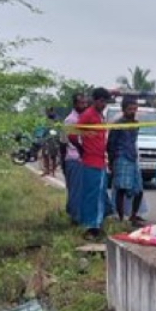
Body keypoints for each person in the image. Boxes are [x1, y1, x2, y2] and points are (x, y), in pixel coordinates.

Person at [75, 88, 112, 240]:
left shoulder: (99, 116)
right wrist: (82, 148)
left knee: (98, 194)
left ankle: (95, 224)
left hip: (99, 160)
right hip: (92, 161)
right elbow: (73, 132)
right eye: (101, 101)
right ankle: (92, 226)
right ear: (95, 100)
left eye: (105, 102)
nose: (103, 104)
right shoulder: (88, 115)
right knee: (93, 195)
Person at [107, 98, 146, 227]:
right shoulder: (117, 124)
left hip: (132, 158)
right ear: (123, 109)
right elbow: (111, 144)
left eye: (135, 109)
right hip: (121, 157)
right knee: (121, 189)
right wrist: (111, 162)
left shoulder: (136, 124)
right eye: (130, 109)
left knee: (138, 189)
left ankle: (133, 216)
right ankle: (120, 217)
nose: (133, 112)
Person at [62, 94, 89, 224]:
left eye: (85, 103)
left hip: (85, 159)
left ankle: (82, 217)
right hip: (74, 158)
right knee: (75, 191)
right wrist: (63, 164)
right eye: (81, 103)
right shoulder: (71, 120)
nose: (84, 106)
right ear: (75, 104)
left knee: (85, 190)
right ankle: (75, 219)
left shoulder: (86, 118)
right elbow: (64, 142)